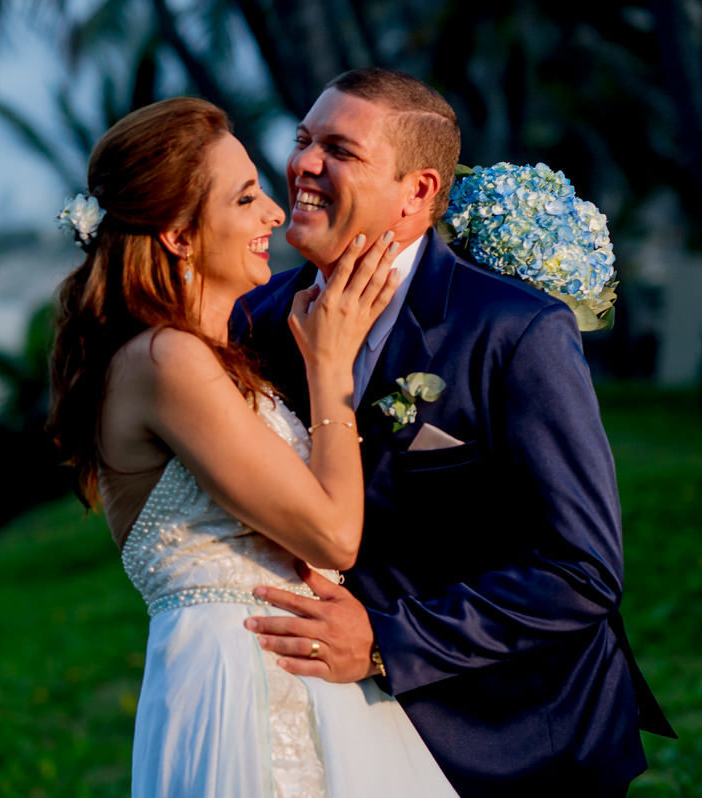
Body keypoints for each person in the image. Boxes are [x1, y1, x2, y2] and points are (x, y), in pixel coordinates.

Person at [237, 68, 674, 797]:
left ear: (417, 193)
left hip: (520, 738)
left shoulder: (514, 329)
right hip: (338, 735)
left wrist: (385, 642)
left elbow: (581, 570)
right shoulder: (258, 322)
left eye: (339, 150)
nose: (304, 165)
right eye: (304, 140)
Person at [48, 96, 458, 797]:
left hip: (293, 666)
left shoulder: (208, 356)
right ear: (179, 236)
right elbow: (332, 535)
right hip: (239, 683)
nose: (275, 212)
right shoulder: (164, 360)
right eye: (245, 198)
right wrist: (331, 367)